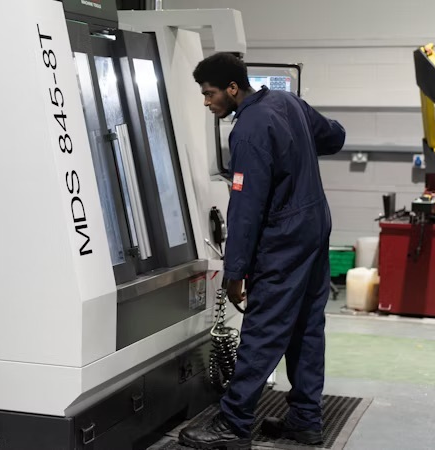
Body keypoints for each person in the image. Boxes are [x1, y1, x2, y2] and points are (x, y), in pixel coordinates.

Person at [180, 53, 346, 449]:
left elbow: (246, 209)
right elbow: (335, 136)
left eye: (210, 94)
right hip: (313, 226)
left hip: (284, 239)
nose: (207, 102)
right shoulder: (286, 102)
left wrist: (234, 272)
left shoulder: (249, 129)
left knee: (263, 328)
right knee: (306, 324)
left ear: (233, 89)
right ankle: (306, 419)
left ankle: (233, 423)